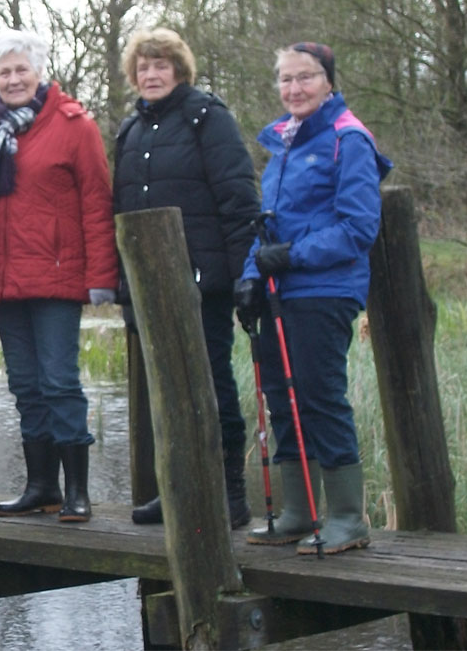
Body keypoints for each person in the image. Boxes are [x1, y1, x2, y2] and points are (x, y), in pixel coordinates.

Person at [236, 42, 392, 554]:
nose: (294, 89)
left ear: (328, 81)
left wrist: (292, 257)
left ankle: (348, 518)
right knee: (281, 397)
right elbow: (267, 229)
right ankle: (300, 512)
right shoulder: (285, 143)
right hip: (282, 292)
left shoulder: (348, 139)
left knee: (320, 396)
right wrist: (250, 277)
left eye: (305, 78)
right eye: (285, 79)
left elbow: (357, 228)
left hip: (325, 290)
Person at [0, 30, 119, 523]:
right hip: (4, 280)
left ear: (39, 72)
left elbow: (97, 203)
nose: (12, 79)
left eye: (20, 70)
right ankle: (41, 485)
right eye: (4, 72)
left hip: (56, 277)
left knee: (59, 382)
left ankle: (77, 491)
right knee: (25, 385)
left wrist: (101, 278)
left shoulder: (75, 126)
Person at [114, 28, 259, 529]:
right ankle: (178, 489)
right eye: (144, 67)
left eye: (161, 65)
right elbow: (121, 212)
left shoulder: (207, 119)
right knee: (163, 391)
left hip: (206, 281)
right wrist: (123, 287)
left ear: (180, 71)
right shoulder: (130, 131)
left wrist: (247, 274)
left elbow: (239, 198)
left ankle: (230, 493)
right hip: (150, 287)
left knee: (212, 383)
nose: (151, 75)